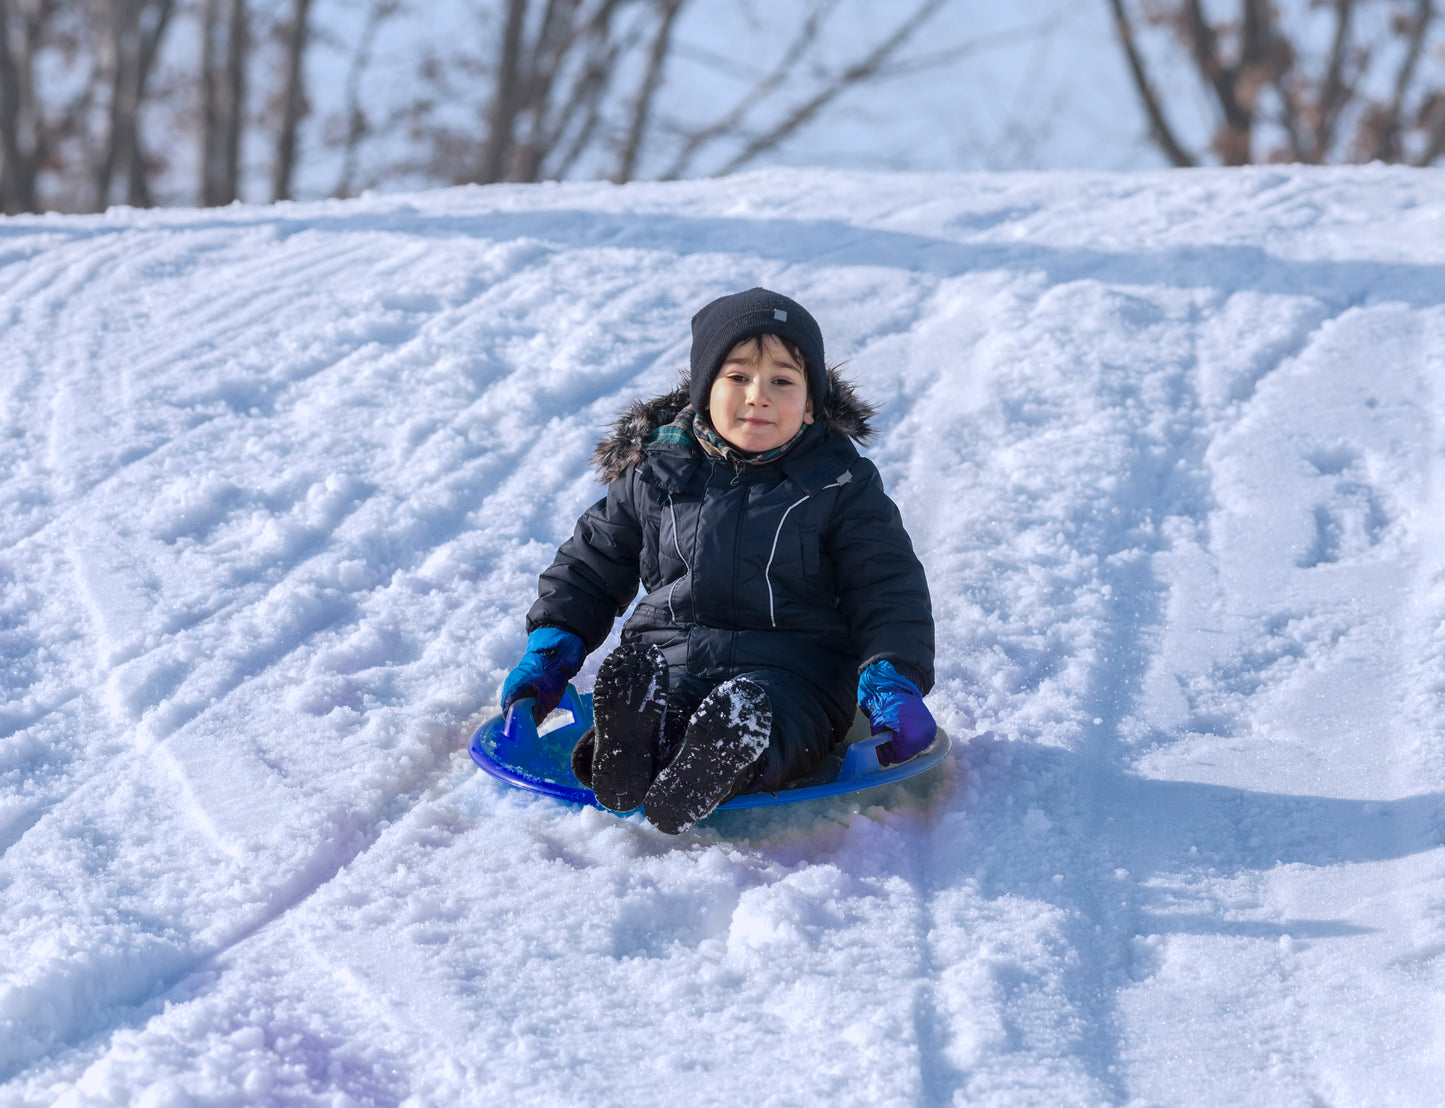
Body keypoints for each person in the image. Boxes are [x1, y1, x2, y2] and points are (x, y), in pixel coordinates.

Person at [500, 287, 936, 834]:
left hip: (797, 670)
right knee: (660, 702)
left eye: (782, 381)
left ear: (809, 406)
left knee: (771, 722)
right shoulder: (656, 472)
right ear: (704, 388)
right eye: (738, 378)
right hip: (670, 656)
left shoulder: (840, 484)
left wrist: (893, 676)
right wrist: (551, 647)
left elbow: (886, 587)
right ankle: (628, 747)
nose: (759, 396)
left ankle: (720, 759)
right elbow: (590, 566)